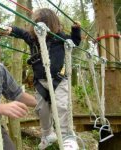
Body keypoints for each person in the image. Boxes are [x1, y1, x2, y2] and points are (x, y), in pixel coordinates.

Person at [5, 8, 81, 150]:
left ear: (52, 25)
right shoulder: (33, 39)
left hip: (59, 81)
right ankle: (47, 134)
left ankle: (67, 137)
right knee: (42, 110)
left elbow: (75, 42)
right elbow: (21, 33)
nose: (39, 27)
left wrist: (75, 29)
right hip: (40, 83)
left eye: (43, 24)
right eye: (37, 24)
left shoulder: (60, 38)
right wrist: (11, 29)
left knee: (61, 107)